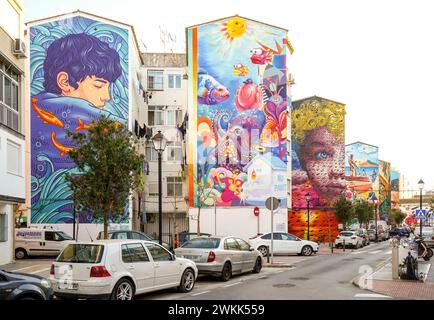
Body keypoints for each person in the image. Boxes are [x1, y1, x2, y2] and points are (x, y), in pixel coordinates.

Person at [31, 33, 122, 174]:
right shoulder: (73, 110)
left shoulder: (35, 106)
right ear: (64, 82)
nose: (107, 97)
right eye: (98, 85)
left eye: (108, 88)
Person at [292, 99, 346, 207]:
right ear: (303, 158)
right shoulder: (296, 198)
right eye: (323, 154)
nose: (338, 170)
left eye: (344, 157)